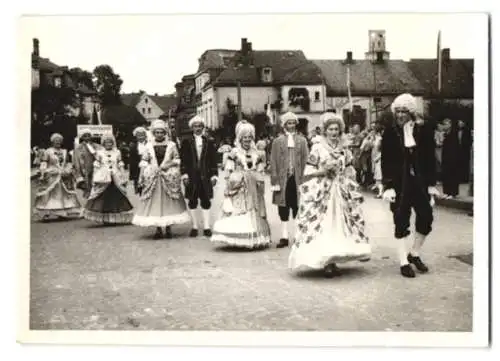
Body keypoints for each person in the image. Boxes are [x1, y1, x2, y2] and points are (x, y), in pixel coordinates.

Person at [288, 113, 371, 277]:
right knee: (324, 223)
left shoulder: (344, 149)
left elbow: (349, 169)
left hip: (340, 190)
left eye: (336, 129)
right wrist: (323, 171)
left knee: (339, 224)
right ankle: (326, 262)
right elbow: (308, 171)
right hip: (323, 191)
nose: (334, 132)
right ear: (325, 131)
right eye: (331, 129)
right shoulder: (318, 148)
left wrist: (350, 181)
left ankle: (334, 259)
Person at [381, 93, 440, 278]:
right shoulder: (390, 132)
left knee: (426, 217)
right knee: (400, 218)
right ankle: (403, 261)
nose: (399, 115)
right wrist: (388, 185)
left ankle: (414, 253)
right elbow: (386, 160)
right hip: (400, 182)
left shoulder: (423, 131)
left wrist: (431, 185)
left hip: (419, 181)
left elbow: (430, 159)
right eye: (397, 111)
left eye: (404, 111)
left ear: (411, 112)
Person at [211, 123, 271, 248]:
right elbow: (228, 171)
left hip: (253, 187)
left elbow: (260, 170)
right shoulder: (234, 152)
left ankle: (253, 237)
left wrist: (259, 180)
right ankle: (237, 238)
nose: (247, 140)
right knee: (238, 209)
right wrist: (231, 183)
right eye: (245, 137)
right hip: (238, 186)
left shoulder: (257, 153)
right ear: (240, 138)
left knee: (254, 210)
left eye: (249, 137)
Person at [132, 119, 191, 239]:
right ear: (153, 133)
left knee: (168, 202)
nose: (159, 134)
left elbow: (177, 159)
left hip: (167, 176)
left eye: (161, 132)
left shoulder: (171, 145)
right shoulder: (148, 146)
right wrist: (142, 176)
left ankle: (168, 227)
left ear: (165, 133)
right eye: (157, 132)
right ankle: (158, 228)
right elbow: (144, 161)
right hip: (153, 178)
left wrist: (168, 165)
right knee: (156, 203)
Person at [270, 111, 309, 248]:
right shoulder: (277, 141)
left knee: (298, 206)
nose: (291, 125)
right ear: (284, 125)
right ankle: (284, 236)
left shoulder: (302, 141)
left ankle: (298, 235)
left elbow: (306, 160)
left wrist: (307, 178)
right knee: (283, 207)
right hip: (283, 179)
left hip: (298, 179)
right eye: (288, 123)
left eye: (293, 123)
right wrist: (274, 179)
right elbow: (273, 161)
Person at [180, 115, 219, 237]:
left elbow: (213, 159)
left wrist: (214, 175)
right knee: (192, 200)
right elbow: (183, 159)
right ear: (192, 127)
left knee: (206, 200)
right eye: (195, 126)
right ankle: (195, 226)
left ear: (203, 127)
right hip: (192, 175)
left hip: (205, 175)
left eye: (200, 126)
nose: (198, 128)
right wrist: (184, 174)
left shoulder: (208, 141)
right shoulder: (186, 142)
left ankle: (207, 227)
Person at [83, 135, 134, 225]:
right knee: (103, 198)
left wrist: (122, 174)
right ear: (103, 143)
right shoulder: (100, 153)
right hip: (104, 178)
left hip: (115, 176)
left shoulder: (117, 152)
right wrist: (95, 176)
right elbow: (97, 165)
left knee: (117, 196)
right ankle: (104, 218)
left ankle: (115, 218)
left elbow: (120, 163)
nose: (108, 144)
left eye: (110, 142)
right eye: (106, 142)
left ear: (113, 143)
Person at [34, 133, 82, 220]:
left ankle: (62, 211)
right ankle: (45, 212)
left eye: (59, 141)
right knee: (49, 194)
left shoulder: (64, 151)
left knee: (64, 193)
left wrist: (68, 170)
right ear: (52, 142)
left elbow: (68, 162)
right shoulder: (48, 151)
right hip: (52, 174)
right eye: (56, 141)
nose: (58, 142)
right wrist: (42, 173)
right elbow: (44, 162)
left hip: (63, 175)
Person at [74, 129, 101, 199]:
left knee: (96, 183)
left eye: (89, 135)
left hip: (95, 167)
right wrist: (78, 172)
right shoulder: (78, 147)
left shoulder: (97, 146)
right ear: (82, 137)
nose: (87, 137)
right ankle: (88, 200)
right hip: (84, 168)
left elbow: (101, 156)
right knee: (87, 184)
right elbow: (76, 160)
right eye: (85, 136)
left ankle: (96, 198)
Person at [441, 118, 460, 199]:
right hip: (445, 157)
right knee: (445, 174)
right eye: (444, 124)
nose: (445, 126)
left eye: (446, 124)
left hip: (452, 157)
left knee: (452, 174)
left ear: (450, 125)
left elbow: (455, 147)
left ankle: (453, 193)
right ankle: (446, 192)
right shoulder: (445, 134)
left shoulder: (453, 134)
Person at [129, 127, 149, 195]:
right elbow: (131, 161)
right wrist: (132, 175)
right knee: (140, 186)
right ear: (136, 136)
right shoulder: (133, 146)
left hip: (148, 167)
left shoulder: (149, 144)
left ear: (145, 136)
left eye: (142, 135)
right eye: (139, 135)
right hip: (137, 168)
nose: (141, 137)